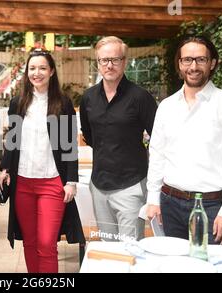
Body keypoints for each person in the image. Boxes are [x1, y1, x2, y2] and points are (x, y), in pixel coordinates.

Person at [146, 35, 222, 245]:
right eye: (187, 60)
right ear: (179, 64)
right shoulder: (166, 106)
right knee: (173, 266)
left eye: (201, 60)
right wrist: (152, 199)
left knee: (211, 267)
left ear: (212, 63)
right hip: (169, 204)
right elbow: (157, 156)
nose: (194, 66)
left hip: (212, 207)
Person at [0, 49, 85, 273]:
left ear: (52, 71)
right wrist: (5, 168)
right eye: (32, 68)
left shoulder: (62, 103)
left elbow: (68, 146)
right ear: (27, 73)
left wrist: (71, 181)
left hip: (52, 182)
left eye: (42, 68)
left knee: (46, 243)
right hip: (23, 183)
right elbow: (13, 139)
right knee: (29, 241)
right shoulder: (18, 103)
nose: (37, 73)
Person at [79, 36, 157, 241]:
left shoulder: (141, 97)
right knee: (107, 247)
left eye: (115, 59)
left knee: (130, 249)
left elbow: (158, 140)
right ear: (98, 63)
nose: (109, 65)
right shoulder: (88, 98)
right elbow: (89, 136)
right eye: (104, 60)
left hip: (130, 187)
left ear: (124, 61)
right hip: (99, 186)